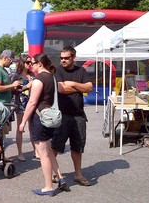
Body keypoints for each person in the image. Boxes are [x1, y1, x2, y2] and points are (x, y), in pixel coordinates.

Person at [19, 53, 66, 197]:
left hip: (40, 119)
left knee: (43, 154)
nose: (31, 65)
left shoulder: (39, 80)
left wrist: (23, 122)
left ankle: (48, 187)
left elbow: (32, 102)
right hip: (50, 118)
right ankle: (60, 177)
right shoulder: (52, 77)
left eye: (32, 63)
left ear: (40, 64)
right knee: (49, 150)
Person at [51, 46, 93, 187]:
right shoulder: (57, 70)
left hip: (79, 115)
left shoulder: (81, 71)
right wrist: (78, 87)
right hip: (61, 114)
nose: (63, 60)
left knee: (78, 146)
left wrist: (74, 84)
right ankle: (52, 173)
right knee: (56, 145)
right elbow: (61, 88)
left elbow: (89, 88)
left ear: (73, 57)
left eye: (66, 58)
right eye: (61, 58)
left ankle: (78, 174)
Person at [12, 55, 38, 161]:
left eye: (31, 63)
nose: (30, 64)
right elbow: (13, 91)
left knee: (33, 127)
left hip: (31, 102)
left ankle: (35, 150)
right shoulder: (17, 76)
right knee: (20, 128)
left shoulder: (32, 74)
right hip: (21, 103)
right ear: (22, 63)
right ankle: (20, 152)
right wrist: (25, 87)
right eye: (28, 62)